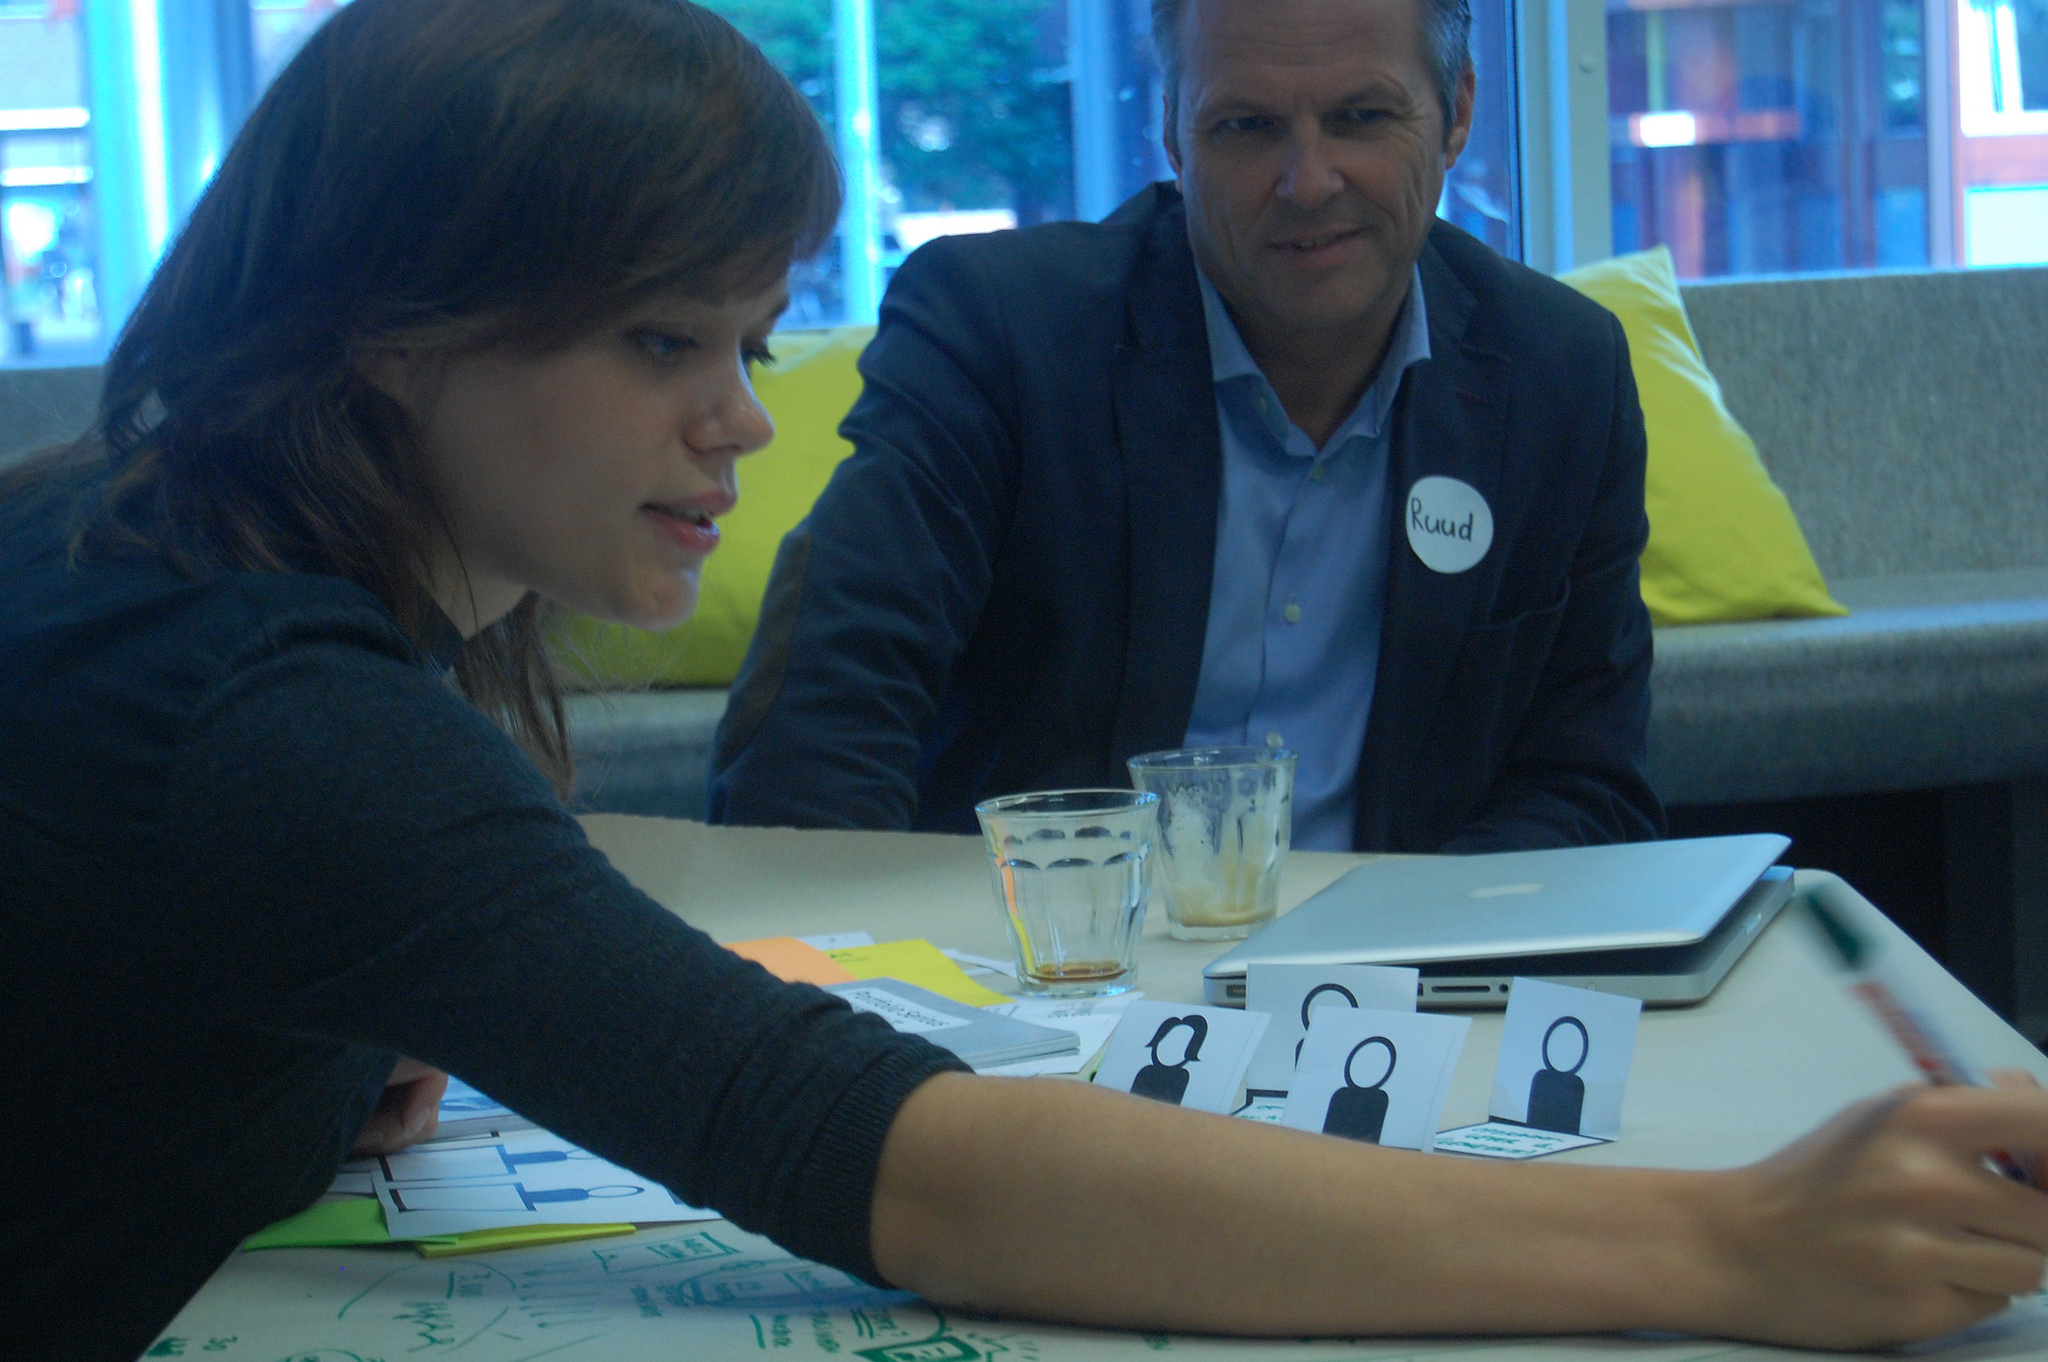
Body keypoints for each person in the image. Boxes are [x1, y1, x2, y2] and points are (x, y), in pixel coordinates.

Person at [4, 2, 2048, 1358]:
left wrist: (323, 1029)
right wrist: (1723, 1242)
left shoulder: (138, 546)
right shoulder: (282, 718)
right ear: (394, 327)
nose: (741, 421)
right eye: (658, 344)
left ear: (1451, 124)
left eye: (747, 341)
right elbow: (900, 1163)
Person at [709, 0, 1663, 855]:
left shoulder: (1563, 375)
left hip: (1393, 971)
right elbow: (824, 721)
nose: (1308, 181)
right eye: (1247, 126)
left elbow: (1586, 785)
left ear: (1456, 113)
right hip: (1041, 965)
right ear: (1172, 131)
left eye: (1362, 118)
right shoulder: (998, 334)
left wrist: (1397, 952)